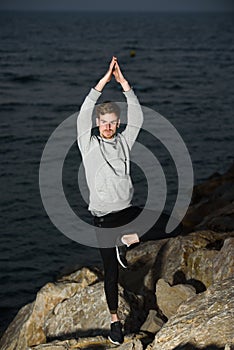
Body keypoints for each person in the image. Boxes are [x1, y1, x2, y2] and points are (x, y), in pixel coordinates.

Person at [77, 56, 183, 344]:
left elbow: (138, 116)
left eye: (113, 123)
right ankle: (115, 323)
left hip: (128, 213)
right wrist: (102, 83)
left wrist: (124, 83)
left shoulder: (125, 140)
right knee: (111, 274)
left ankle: (129, 240)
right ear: (97, 123)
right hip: (102, 219)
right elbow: (84, 110)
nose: (108, 127)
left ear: (117, 123)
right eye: (104, 123)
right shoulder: (88, 145)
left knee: (173, 225)